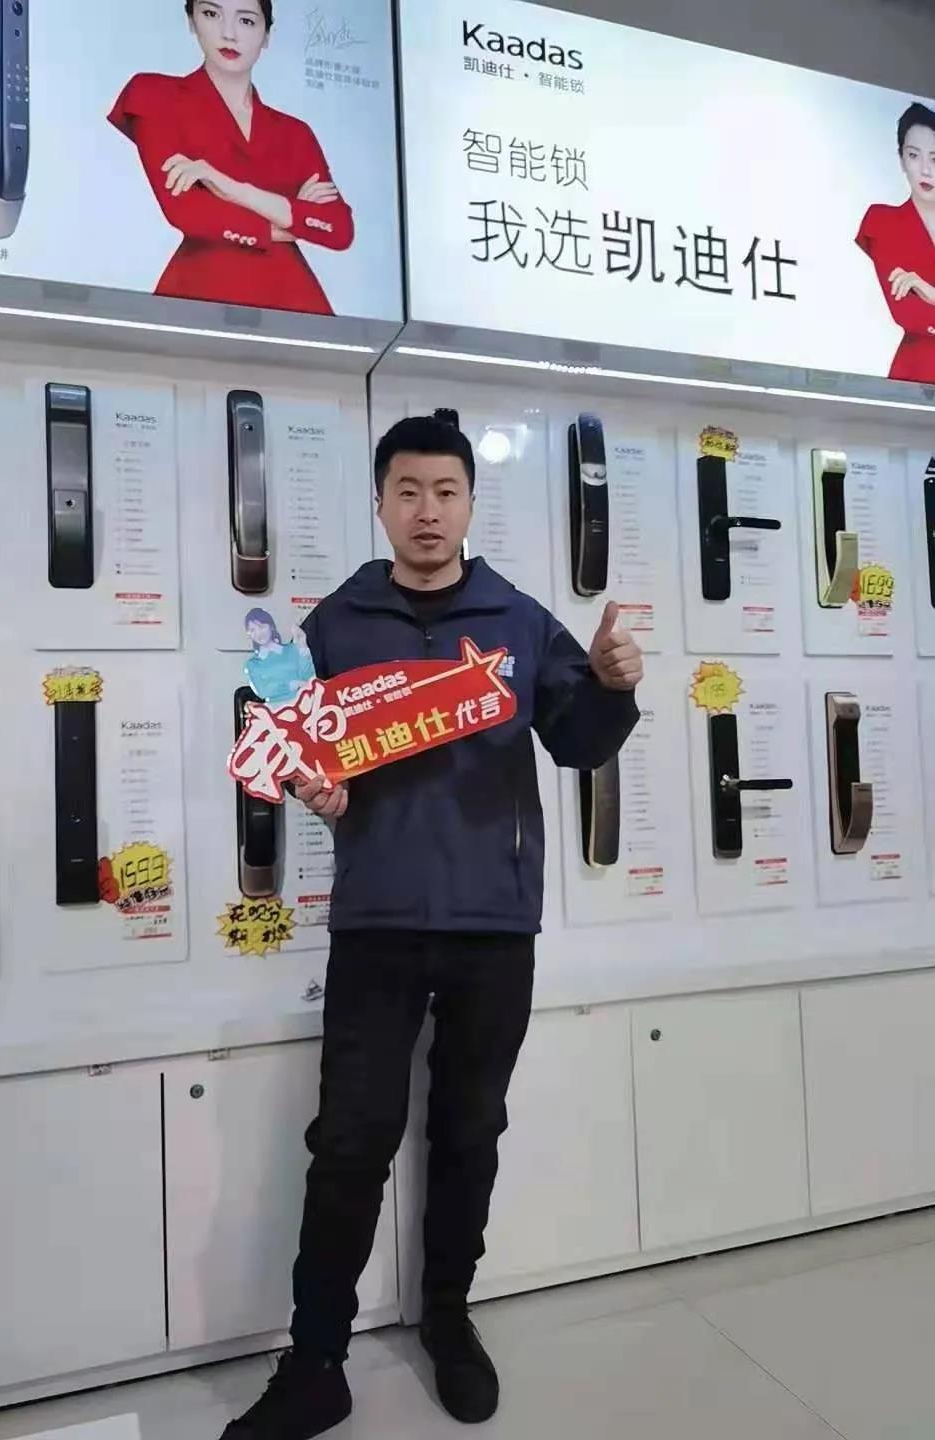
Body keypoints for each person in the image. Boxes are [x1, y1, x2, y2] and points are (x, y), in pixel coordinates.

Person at [221, 416, 643, 1439]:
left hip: (494, 923)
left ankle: (449, 1322)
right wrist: (312, 788)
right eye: (407, 491)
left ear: (468, 504)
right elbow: (294, 752)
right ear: (380, 503)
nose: (427, 511)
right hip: (375, 921)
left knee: (468, 1131)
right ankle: (316, 1362)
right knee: (349, 1140)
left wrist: (611, 686)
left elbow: (579, 743)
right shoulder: (336, 625)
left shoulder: (516, 620)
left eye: (446, 492)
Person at [108, 1, 353, 314]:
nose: (229, 33)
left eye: (246, 21)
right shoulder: (155, 95)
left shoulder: (295, 133)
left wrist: (229, 187)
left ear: (266, 36)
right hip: (201, 294)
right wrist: (292, 221)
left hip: (294, 302)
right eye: (211, 14)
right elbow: (187, 211)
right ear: (191, 20)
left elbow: (339, 229)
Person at [857, 101, 935, 382]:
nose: (925, 170)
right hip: (918, 376)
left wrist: (930, 292)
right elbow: (909, 315)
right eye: (914, 155)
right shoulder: (882, 222)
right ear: (901, 159)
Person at [243, 608, 315, 705]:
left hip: (302, 704)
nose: (258, 633)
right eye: (252, 630)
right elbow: (263, 691)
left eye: (261, 627)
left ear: (271, 627)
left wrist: (302, 645)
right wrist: (292, 684)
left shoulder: (292, 650)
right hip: (275, 710)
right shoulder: (252, 664)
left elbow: (309, 677)